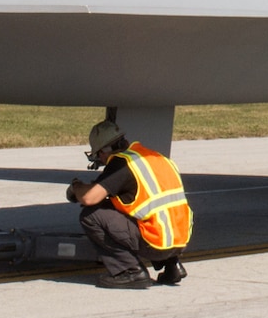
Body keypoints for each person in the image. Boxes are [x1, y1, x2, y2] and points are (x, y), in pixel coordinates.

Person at [67, 119, 191, 289]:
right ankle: (172, 266)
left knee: (91, 215)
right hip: (179, 240)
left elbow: (89, 198)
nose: (101, 160)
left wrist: (76, 187)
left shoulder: (121, 163)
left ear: (104, 151)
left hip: (156, 242)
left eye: (99, 155)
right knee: (141, 210)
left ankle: (130, 271)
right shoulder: (154, 157)